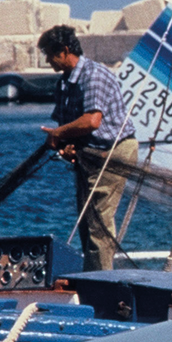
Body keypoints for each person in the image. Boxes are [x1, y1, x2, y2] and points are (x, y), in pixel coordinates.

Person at [38, 25, 138, 271]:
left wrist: (58, 134)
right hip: (90, 154)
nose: (47, 60)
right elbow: (69, 126)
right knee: (86, 220)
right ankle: (92, 276)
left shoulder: (93, 75)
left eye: (49, 54)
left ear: (64, 50)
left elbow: (92, 121)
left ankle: (101, 283)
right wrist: (66, 146)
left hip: (113, 151)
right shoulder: (64, 83)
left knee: (98, 222)